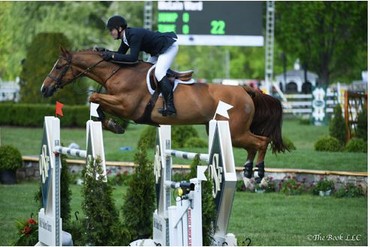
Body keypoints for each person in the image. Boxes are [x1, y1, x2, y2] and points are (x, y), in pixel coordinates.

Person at [102, 15, 178, 117]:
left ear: (119, 28)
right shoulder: (126, 38)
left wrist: (111, 55)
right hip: (157, 52)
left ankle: (170, 107)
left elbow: (133, 58)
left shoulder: (133, 35)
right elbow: (120, 54)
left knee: (159, 72)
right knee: (146, 73)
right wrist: (105, 53)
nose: (110, 33)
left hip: (168, 47)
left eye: (111, 30)